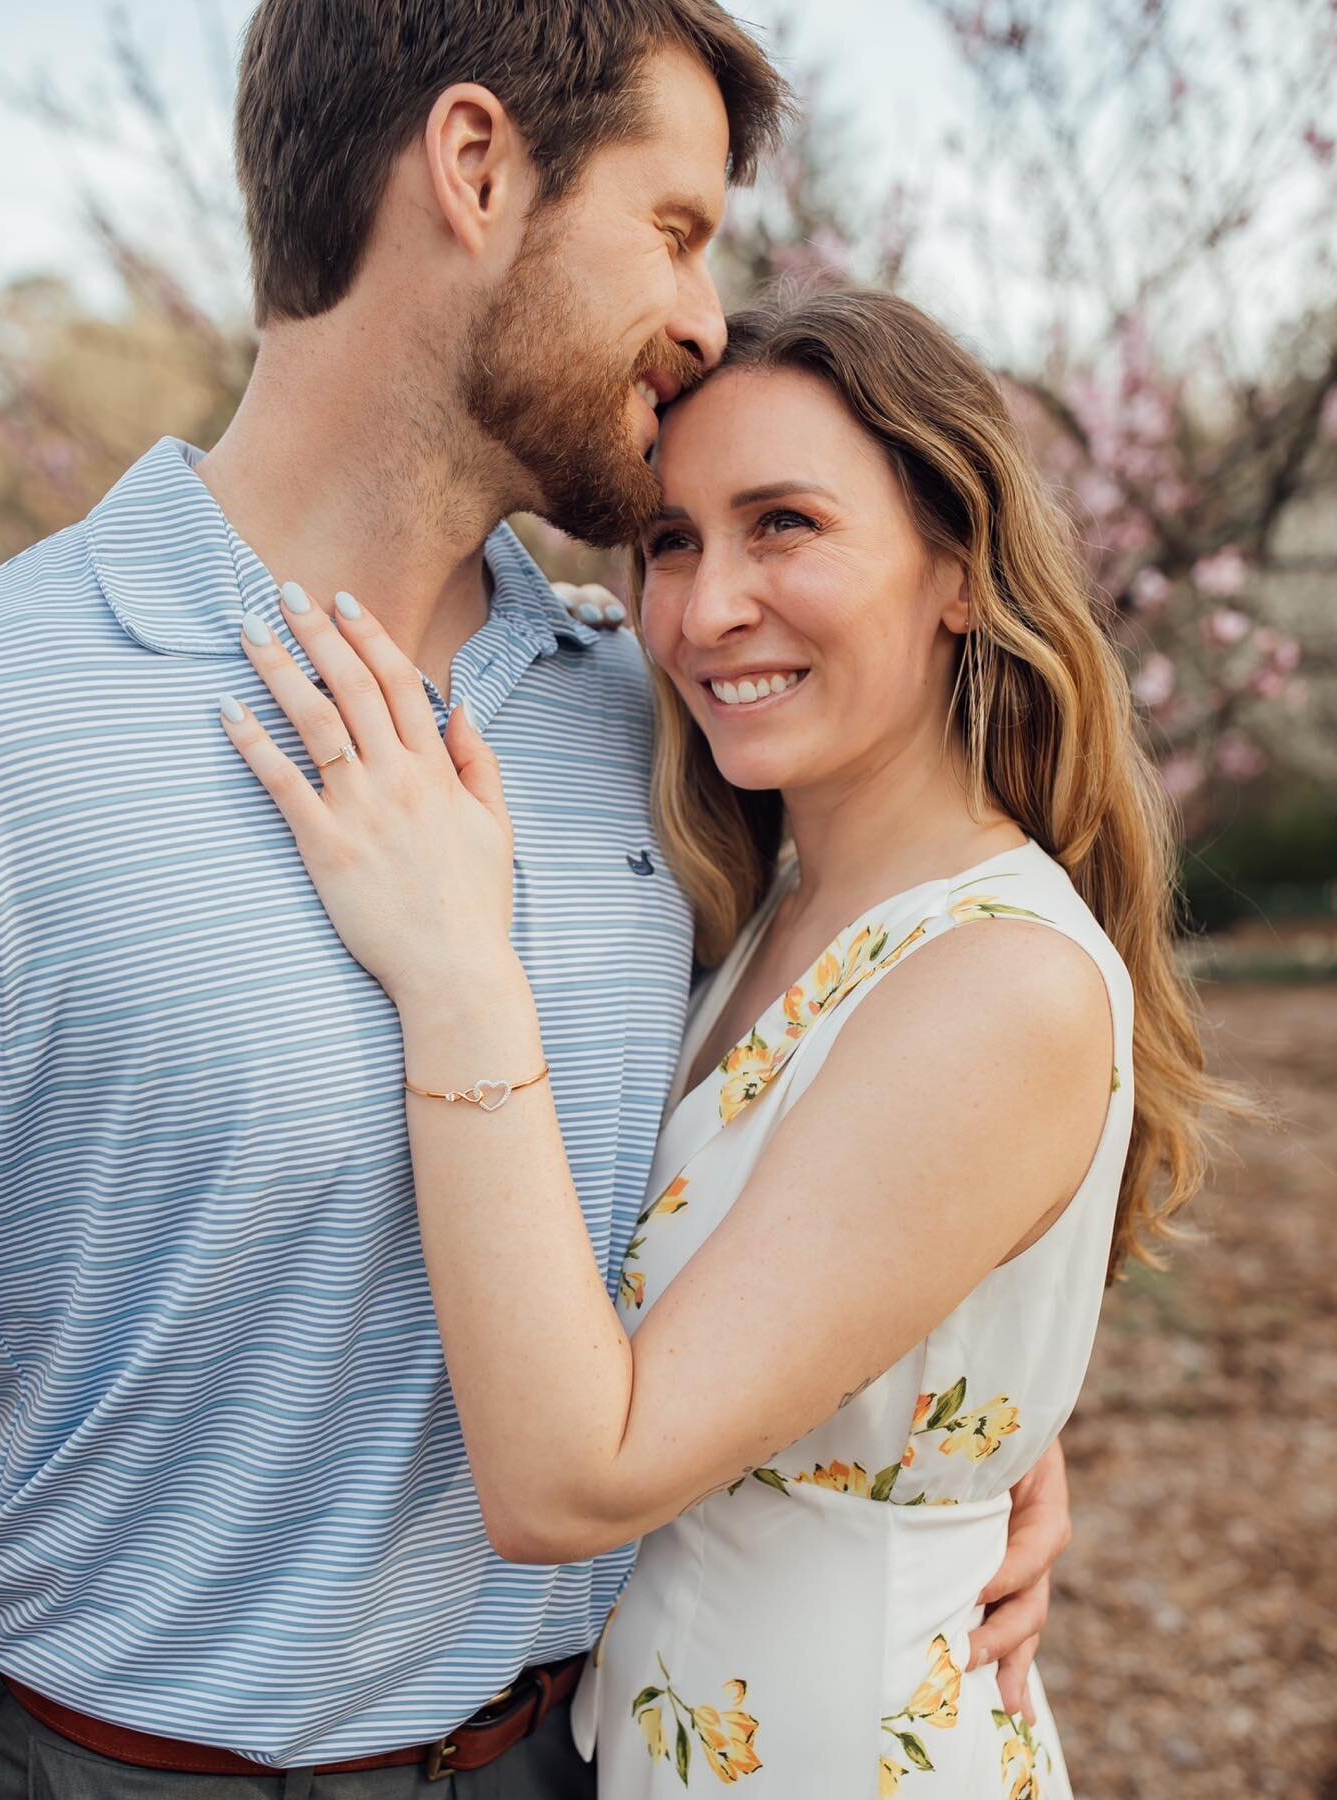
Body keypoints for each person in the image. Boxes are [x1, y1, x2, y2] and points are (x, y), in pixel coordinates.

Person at [0, 8, 1068, 1797]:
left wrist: (955, 1424)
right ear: (473, 166)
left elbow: (864, 1106)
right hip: (118, 1765)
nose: (700, 316)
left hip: (577, 1754)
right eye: (674, 229)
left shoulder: (666, 726)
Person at [218, 283, 1224, 1796]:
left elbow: (576, 1481)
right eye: (673, 540)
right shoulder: (765, 906)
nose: (699, 611)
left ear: (958, 567)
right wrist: (974, 1432)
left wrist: (455, 972)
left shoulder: (999, 980)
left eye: (785, 525)